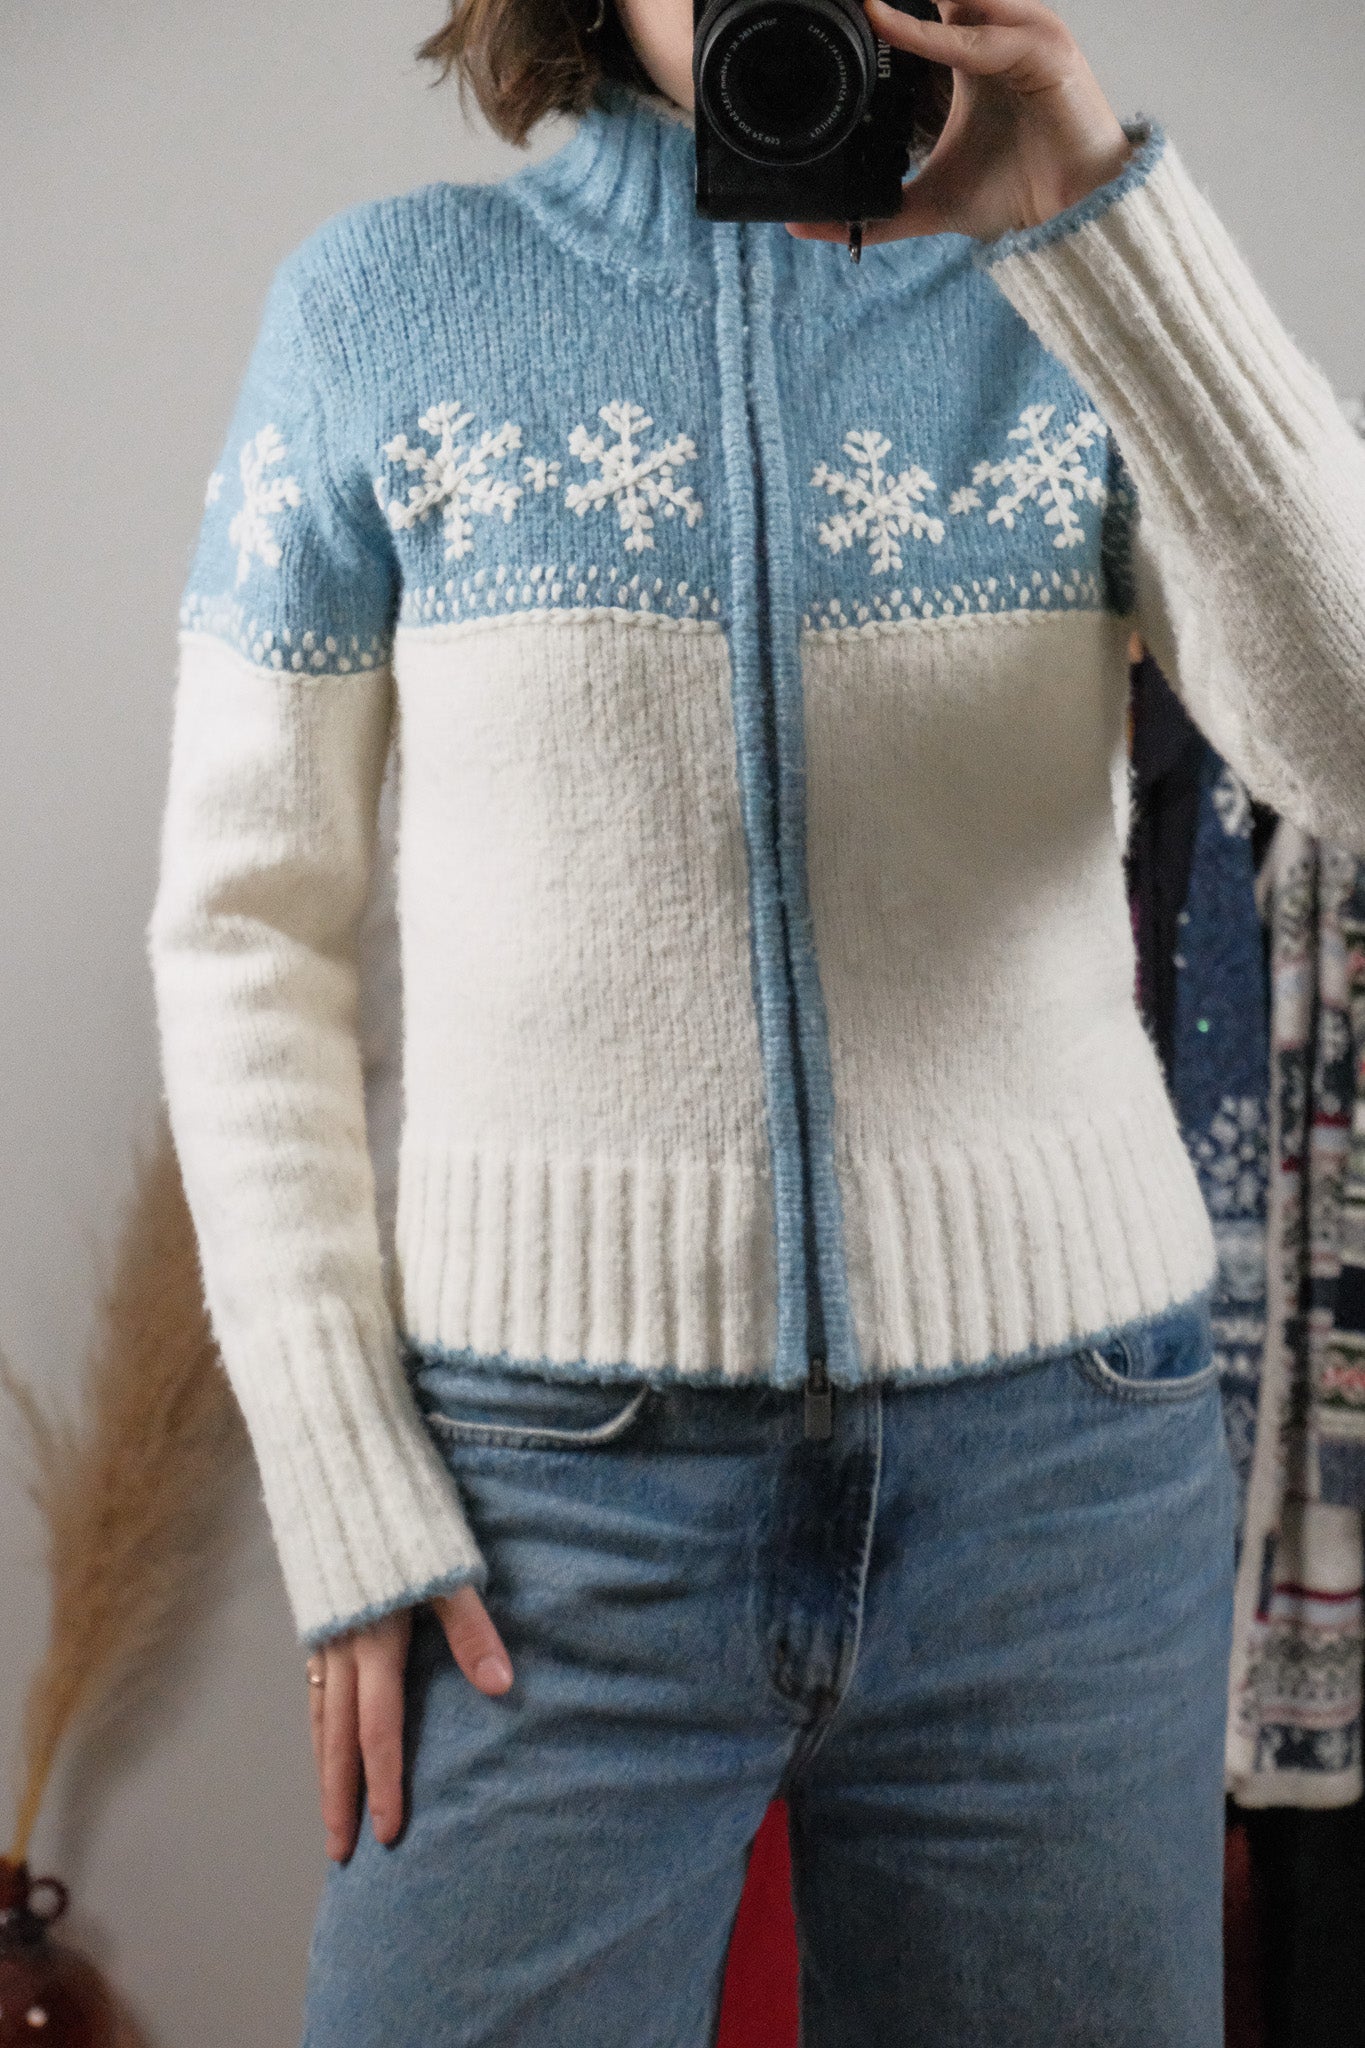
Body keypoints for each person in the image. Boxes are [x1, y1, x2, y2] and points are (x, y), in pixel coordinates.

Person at [144, 0, 1365, 2039]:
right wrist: (345, 1473)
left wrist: (1093, 211)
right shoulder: (382, 308)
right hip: (542, 1513)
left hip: (1061, 1489)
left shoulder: (1072, 287)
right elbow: (245, 923)